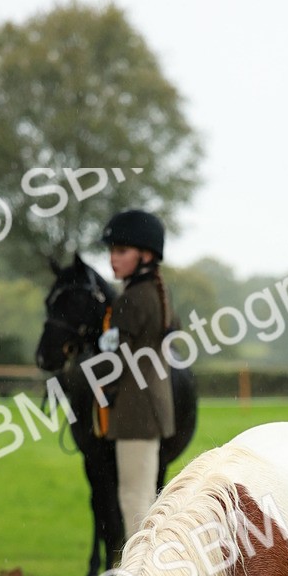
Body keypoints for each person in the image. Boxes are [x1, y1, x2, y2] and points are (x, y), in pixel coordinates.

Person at [99, 209, 176, 538]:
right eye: (112, 251)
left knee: (133, 501)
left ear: (145, 255)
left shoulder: (130, 299)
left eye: (120, 251)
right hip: (155, 406)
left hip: (133, 411)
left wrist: (95, 387)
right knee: (147, 497)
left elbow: (115, 360)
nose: (112, 259)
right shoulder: (160, 294)